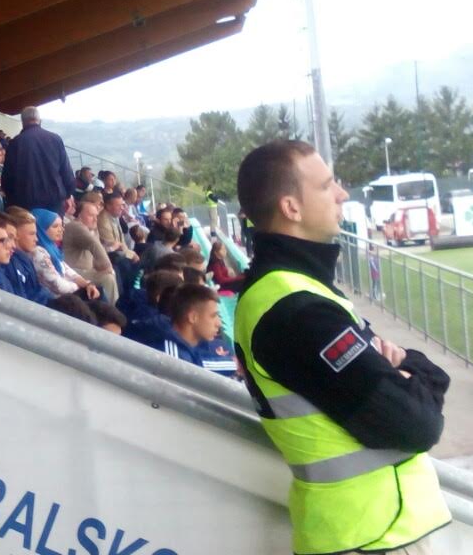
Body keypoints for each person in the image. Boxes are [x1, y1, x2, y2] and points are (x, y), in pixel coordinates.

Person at [234, 140, 450, 555]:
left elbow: (425, 383)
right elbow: (417, 425)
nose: (342, 194)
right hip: (370, 537)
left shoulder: (298, 290)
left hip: (369, 533)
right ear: (291, 208)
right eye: (326, 185)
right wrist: (410, 375)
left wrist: (411, 370)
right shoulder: (297, 311)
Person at [1, 106, 74, 213]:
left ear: (23, 122)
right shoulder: (55, 139)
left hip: (24, 204)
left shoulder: (15, 143)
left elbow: (7, 177)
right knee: (54, 224)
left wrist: (12, 200)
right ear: (40, 120)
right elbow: (66, 171)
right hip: (54, 202)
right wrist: (68, 194)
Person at [30, 208, 101, 301]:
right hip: (55, 300)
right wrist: (81, 287)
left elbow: (67, 270)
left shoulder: (52, 248)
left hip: (66, 294)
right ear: (42, 229)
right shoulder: (38, 253)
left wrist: (86, 284)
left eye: (61, 225)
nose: (61, 230)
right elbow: (58, 285)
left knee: (96, 290)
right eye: (55, 226)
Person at [62, 200, 119, 302]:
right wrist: (108, 267)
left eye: (96, 216)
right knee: (108, 278)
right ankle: (110, 309)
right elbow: (94, 244)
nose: (95, 219)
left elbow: (95, 251)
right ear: (79, 215)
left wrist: (101, 267)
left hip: (87, 271)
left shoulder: (91, 229)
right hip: (74, 271)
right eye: (91, 215)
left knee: (116, 269)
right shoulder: (75, 226)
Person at [153, 284, 222, 366]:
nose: (219, 324)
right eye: (213, 316)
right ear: (192, 317)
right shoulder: (174, 359)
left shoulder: (194, 344)